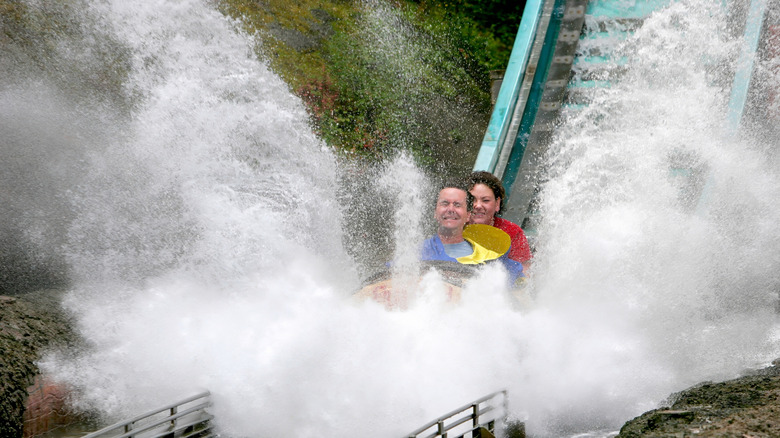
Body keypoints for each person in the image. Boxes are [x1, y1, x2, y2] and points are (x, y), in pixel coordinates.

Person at [420, 178, 523, 285]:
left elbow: (520, 287)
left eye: (457, 205)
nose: (450, 209)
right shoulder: (417, 252)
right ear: (435, 212)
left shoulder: (491, 256)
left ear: (468, 215)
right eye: (445, 204)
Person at [467, 171, 532, 265]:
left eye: (485, 200)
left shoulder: (512, 232)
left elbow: (524, 270)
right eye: (472, 200)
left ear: (497, 203)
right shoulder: (454, 228)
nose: (478, 206)